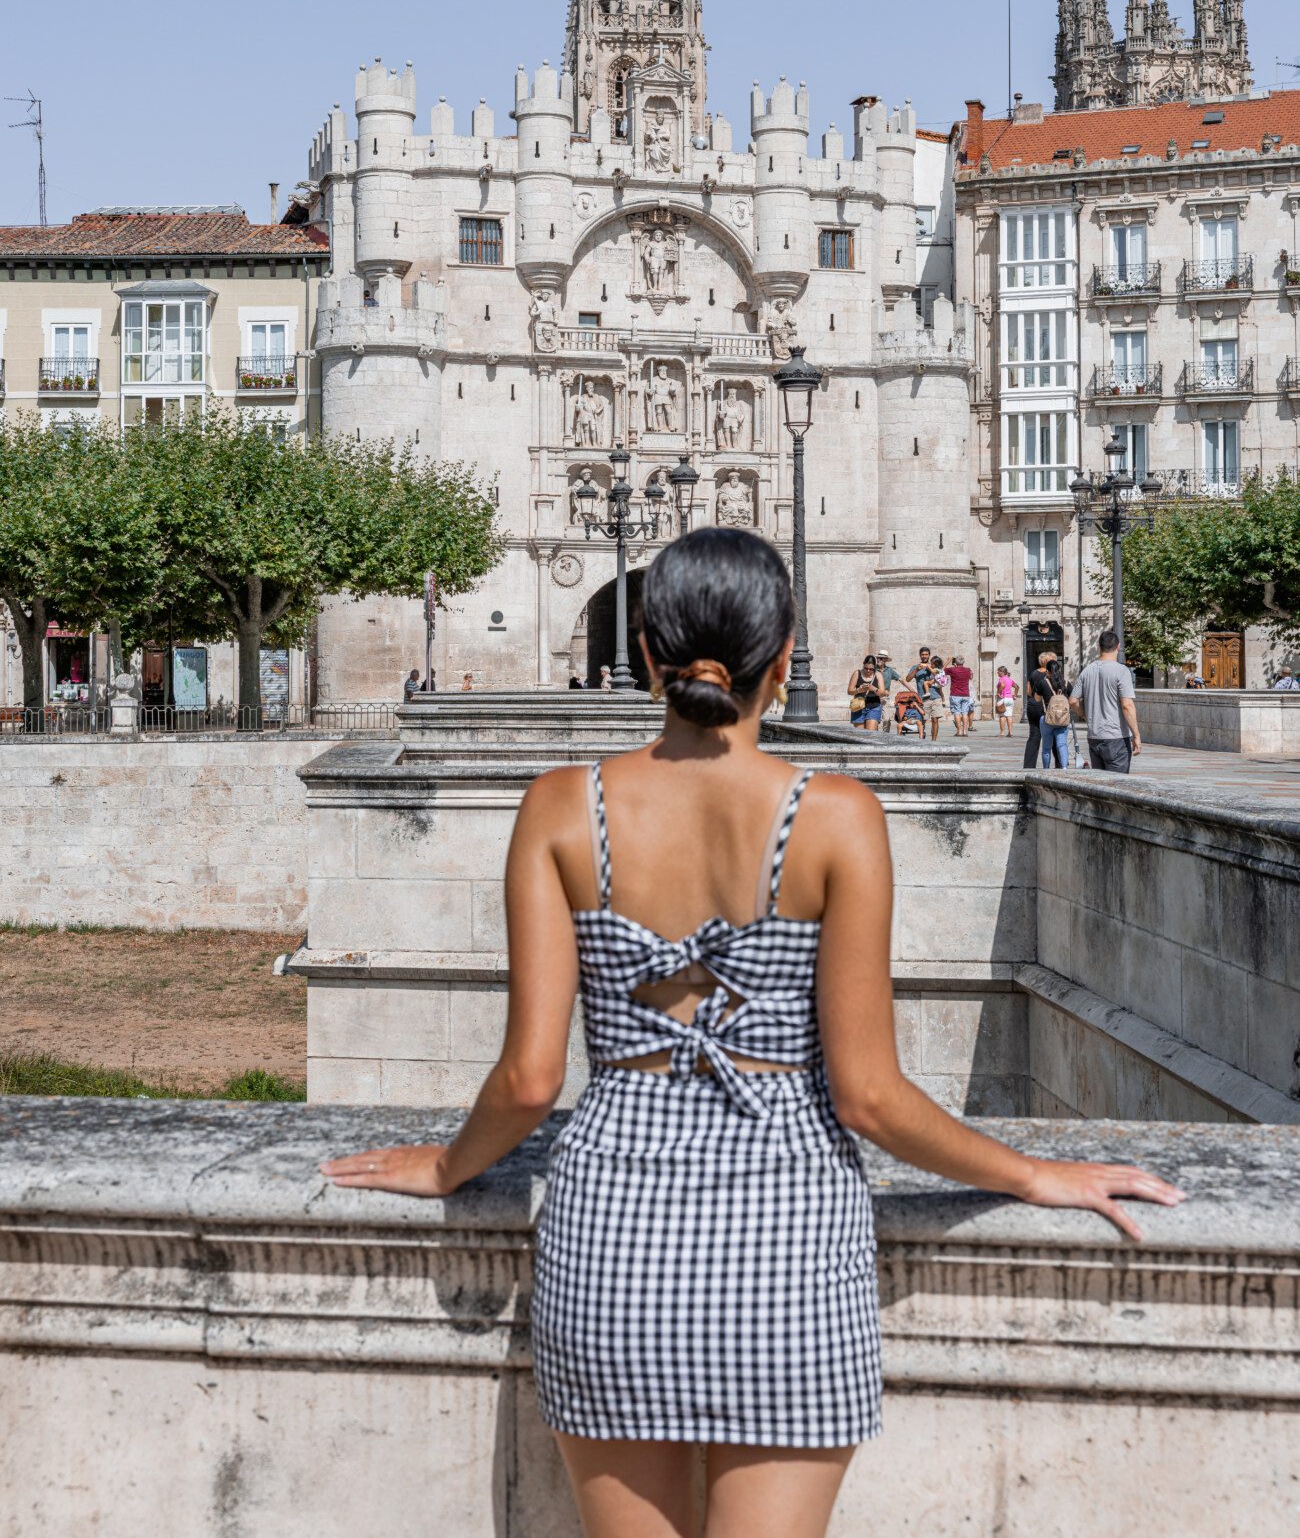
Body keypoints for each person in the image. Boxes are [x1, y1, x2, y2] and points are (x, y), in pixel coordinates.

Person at [322, 527, 1181, 1538]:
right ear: (783, 659)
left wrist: (447, 1166)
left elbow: (526, 1080)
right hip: (790, 1240)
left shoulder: (562, 808)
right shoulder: (834, 817)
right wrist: (1034, 1174)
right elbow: (868, 1096)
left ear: (645, 652)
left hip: (614, 1241)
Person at [1070, 629, 1142, 772]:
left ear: (1099, 647)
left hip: (1094, 737)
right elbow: (1127, 705)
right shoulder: (1122, 671)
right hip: (1116, 738)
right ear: (1118, 647)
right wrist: (1136, 735)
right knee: (1117, 786)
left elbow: (1072, 701)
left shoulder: (1087, 670)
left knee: (1101, 786)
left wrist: (1085, 715)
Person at [1029, 653, 1072, 769]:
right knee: (1062, 745)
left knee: (1047, 747)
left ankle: (1046, 770)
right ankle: (1064, 768)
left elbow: (1037, 699)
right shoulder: (1067, 683)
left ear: (1047, 671)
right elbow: (1072, 700)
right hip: (1063, 719)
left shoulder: (1043, 682)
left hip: (1047, 718)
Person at [847, 654, 884, 730]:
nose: (868, 671)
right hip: (858, 707)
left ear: (874, 667)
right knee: (860, 735)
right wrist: (858, 690)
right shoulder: (857, 673)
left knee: (870, 734)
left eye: (871, 669)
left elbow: (882, 693)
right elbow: (849, 691)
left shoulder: (878, 675)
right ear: (863, 665)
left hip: (874, 707)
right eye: (866, 668)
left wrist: (874, 689)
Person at [946, 655, 974, 737]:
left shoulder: (952, 670)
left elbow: (941, 670)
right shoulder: (968, 670)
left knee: (957, 713)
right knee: (965, 713)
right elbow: (970, 677)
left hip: (955, 694)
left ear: (955, 662)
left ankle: (959, 731)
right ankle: (965, 731)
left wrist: (948, 660)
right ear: (963, 662)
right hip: (965, 694)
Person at [877, 651, 901, 733]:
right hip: (873, 697)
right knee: (874, 720)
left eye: (880, 658)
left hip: (885, 698)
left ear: (885, 660)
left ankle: (885, 736)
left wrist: (912, 690)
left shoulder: (889, 670)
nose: (878, 660)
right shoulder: (872, 669)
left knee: (886, 719)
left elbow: (901, 679)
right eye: (878, 658)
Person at [995, 665, 1018, 737]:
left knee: (1002, 716)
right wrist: (1015, 695)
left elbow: (1002, 685)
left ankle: (1002, 732)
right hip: (1010, 699)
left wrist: (998, 693)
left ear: (1002, 672)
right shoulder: (1009, 679)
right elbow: (1017, 686)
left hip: (1003, 698)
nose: (997, 673)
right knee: (1009, 716)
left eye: (998, 671)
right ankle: (1010, 733)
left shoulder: (1001, 678)